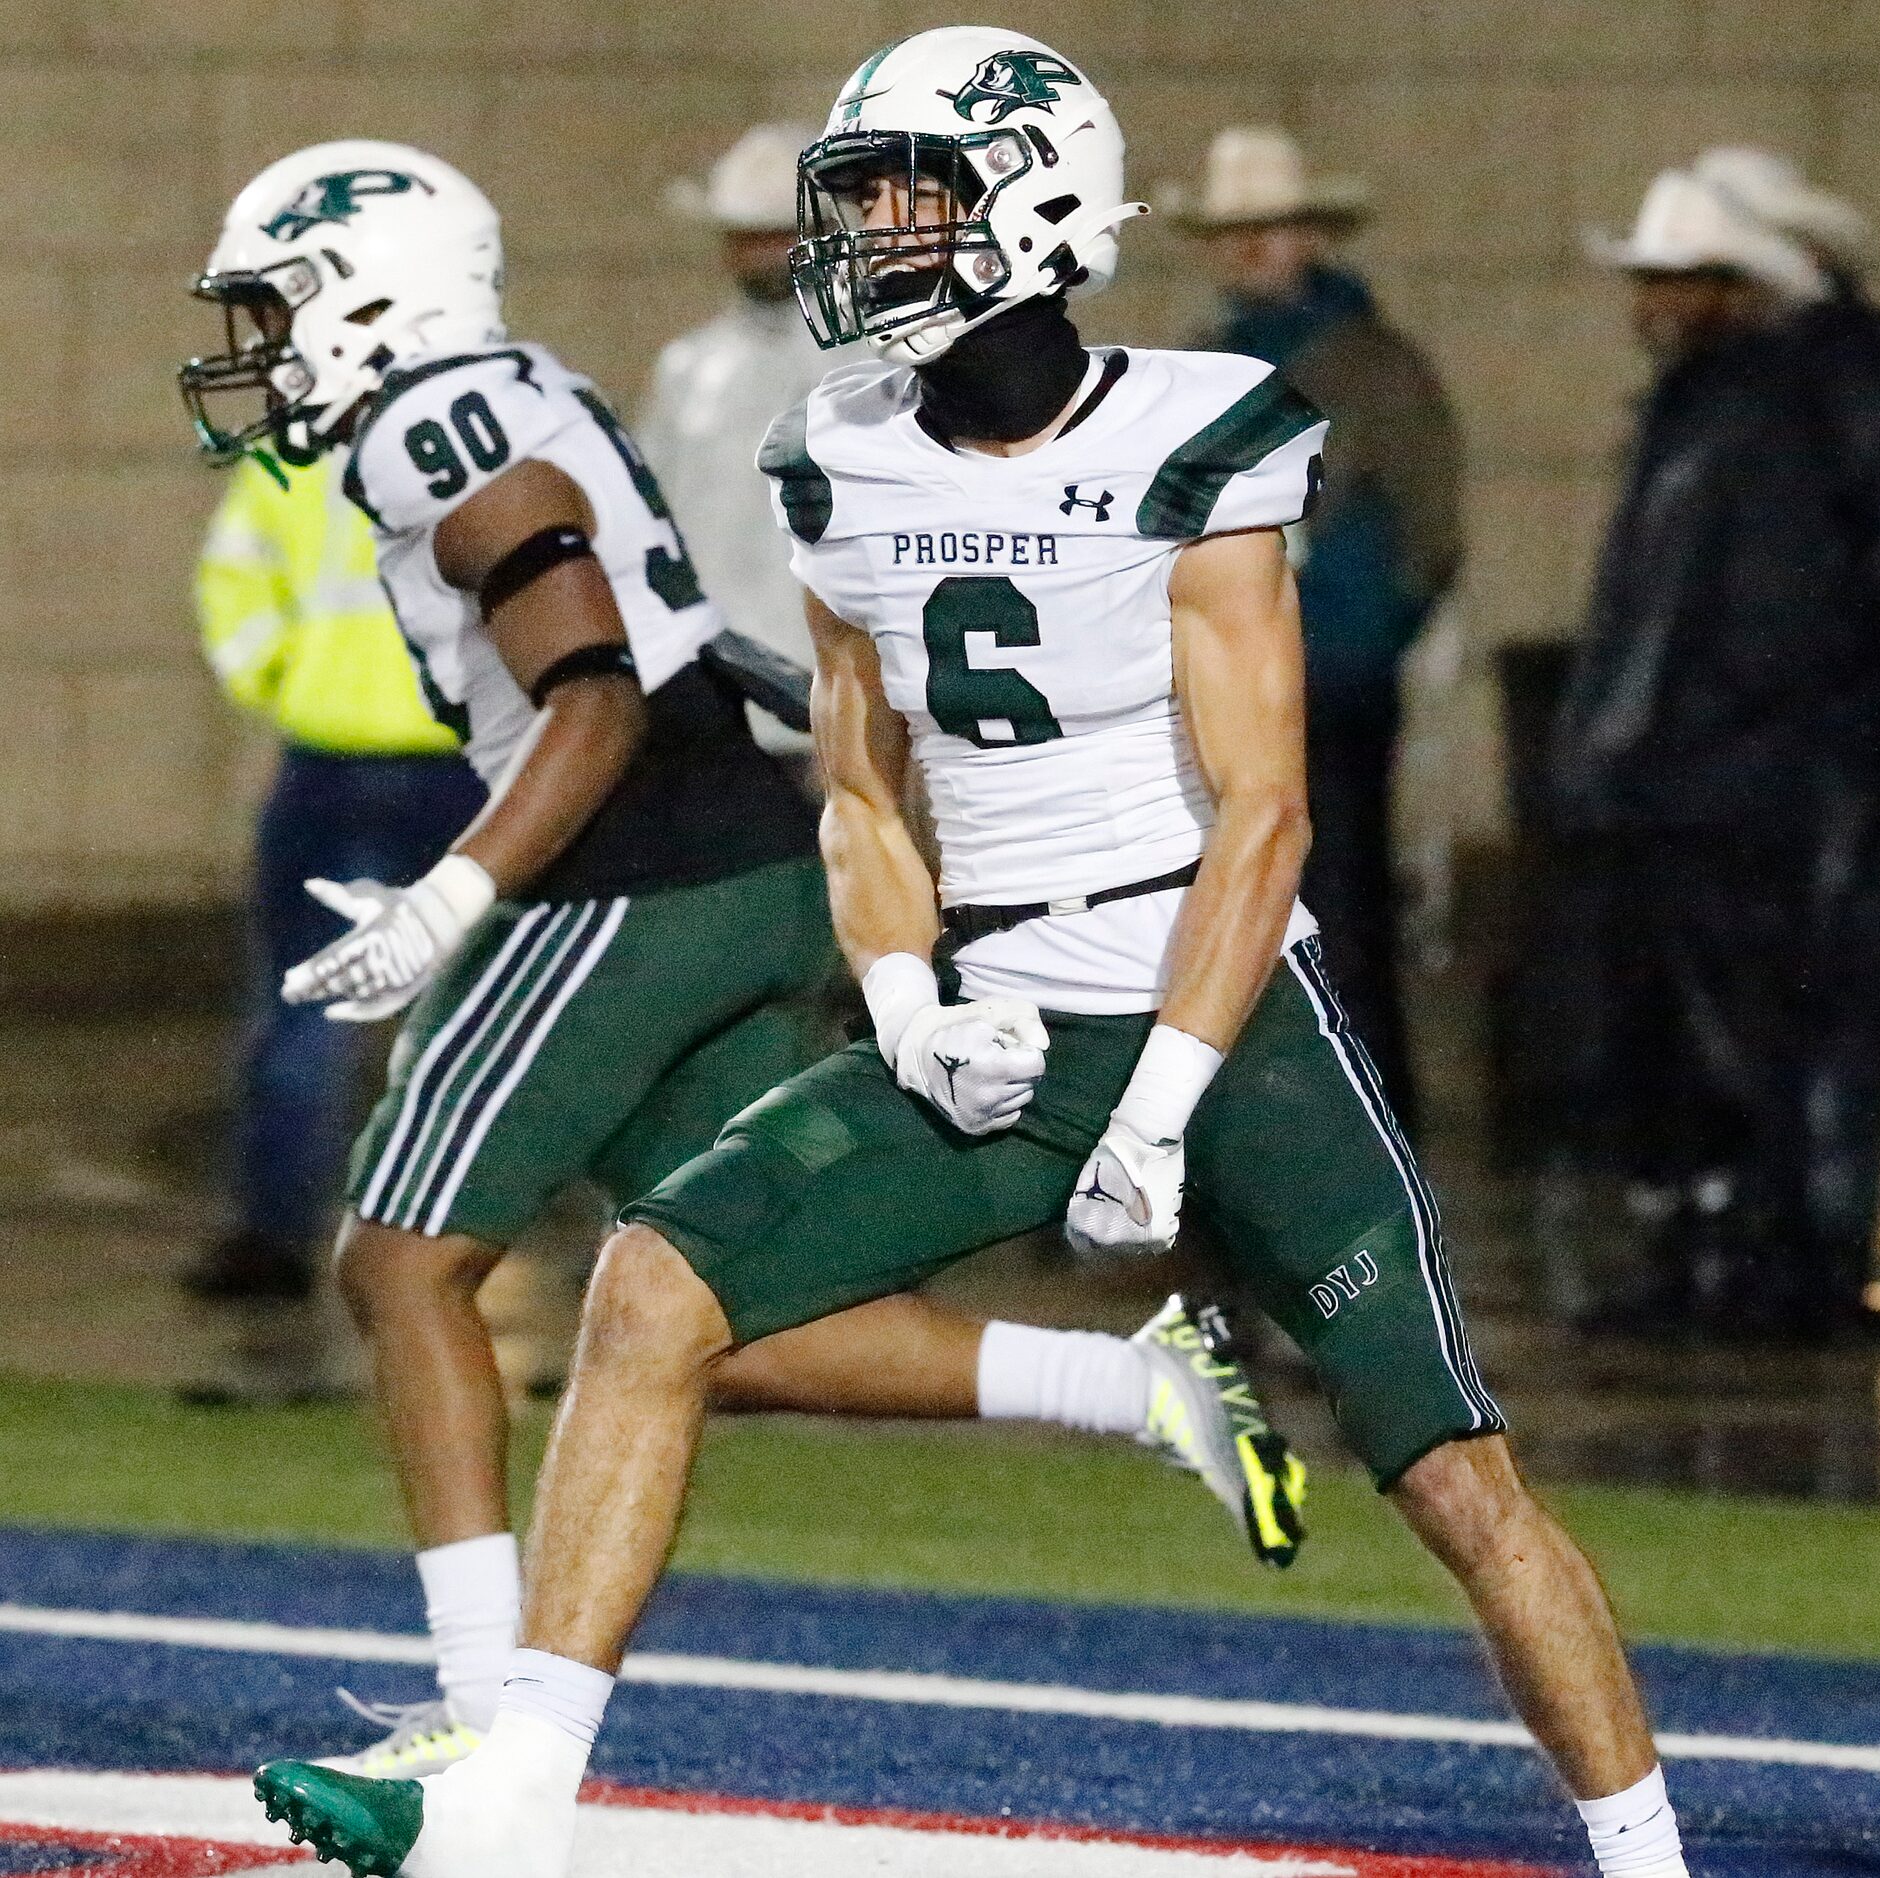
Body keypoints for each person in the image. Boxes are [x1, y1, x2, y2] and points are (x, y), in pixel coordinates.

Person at [253, 33, 1692, 1878]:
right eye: (858, 196)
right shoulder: (841, 450)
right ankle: (517, 1796)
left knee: (1448, 1475)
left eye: (906, 193)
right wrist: (913, 1000)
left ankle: (1647, 1854)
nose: (864, 234)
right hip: (992, 1017)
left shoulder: (1197, 430)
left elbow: (1263, 815)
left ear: (1040, 198)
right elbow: (858, 780)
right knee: (649, 1288)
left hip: (1220, 1021)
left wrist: (1162, 1103)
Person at [178, 137, 1304, 1779]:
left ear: (369, 297)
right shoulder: (519, 384)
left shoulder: (440, 417)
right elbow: (691, 642)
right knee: (721, 1300)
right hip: (738, 859)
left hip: (623, 872)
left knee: (399, 1259)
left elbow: (591, 693)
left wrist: (453, 891)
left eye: (281, 304)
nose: (260, 344)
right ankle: (1141, 1386)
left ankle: (483, 1719)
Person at [1551, 168, 1880, 1339]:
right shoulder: (1710, 410)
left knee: (1756, 1041)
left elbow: (1768, 610)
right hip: (1699, 778)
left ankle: (1769, 1266)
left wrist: (1711, 735)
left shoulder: (1773, 412)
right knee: (1699, 1049)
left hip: (1739, 784)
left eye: (1678, 279)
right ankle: (1723, 1258)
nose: (1653, 302)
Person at [1167, 126, 1463, 1120]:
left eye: (1272, 229)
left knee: (1344, 903)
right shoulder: (1198, 367)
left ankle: (1368, 1108)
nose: (1252, 249)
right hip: (1225, 684)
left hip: (1331, 680)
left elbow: (1432, 528)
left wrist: (1364, 630)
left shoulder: (1377, 368)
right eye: (1237, 231)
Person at [184, 452, 486, 1303]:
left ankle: (274, 1238)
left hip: (327, 754)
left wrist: (281, 681)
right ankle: (453, 1240)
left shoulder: (291, 454)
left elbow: (232, 581)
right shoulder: (488, 428)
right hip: (463, 760)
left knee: (302, 1009)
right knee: (479, 1015)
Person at [640, 122, 834, 756]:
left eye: (780, 235)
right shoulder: (688, 367)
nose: (763, 254)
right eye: (747, 238)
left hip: (828, 695)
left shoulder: (875, 365)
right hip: (709, 695)